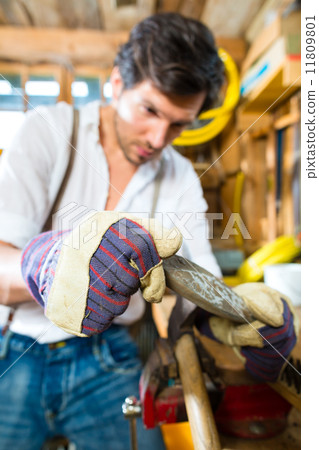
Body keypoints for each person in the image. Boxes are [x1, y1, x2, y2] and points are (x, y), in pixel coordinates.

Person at [0, 12, 298, 450]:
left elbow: (200, 278)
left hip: (109, 356)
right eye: (150, 110)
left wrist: (235, 314)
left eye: (179, 123)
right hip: (17, 347)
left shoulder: (179, 177)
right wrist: (47, 264)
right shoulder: (48, 132)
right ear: (117, 84)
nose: (159, 137)